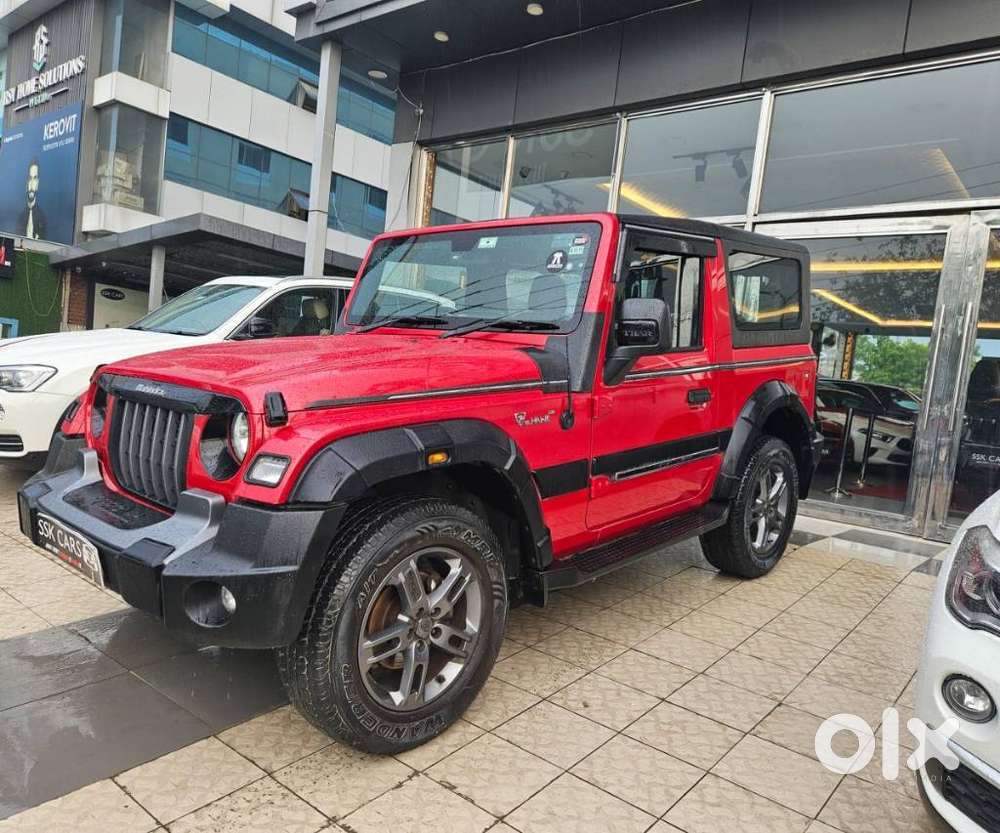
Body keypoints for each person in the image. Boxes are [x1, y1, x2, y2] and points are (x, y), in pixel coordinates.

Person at [18, 159, 47, 240]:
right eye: (29, 178)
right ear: (26, 182)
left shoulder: (42, 217)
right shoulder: (20, 217)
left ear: (38, 182)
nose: (31, 184)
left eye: (35, 178)